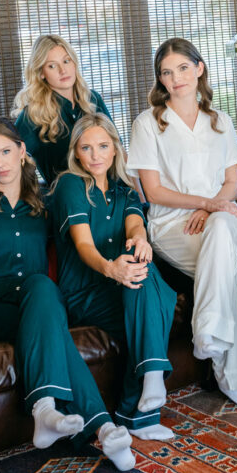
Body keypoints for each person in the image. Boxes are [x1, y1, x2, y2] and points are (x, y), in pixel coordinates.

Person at [0, 117, 135, 470]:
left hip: (41, 302)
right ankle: (101, 425)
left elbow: (85, 232)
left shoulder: (46, 201)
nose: (0, 163)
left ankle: (53, 414)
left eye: (6, 151)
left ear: (22, 151)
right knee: (52, 323)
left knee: (42, 287)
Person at [127, 38, 237, 410]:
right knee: (219, 264)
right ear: (160, 80)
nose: (176, 79)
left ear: (199, 68)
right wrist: (205, 204)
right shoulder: (147, 124)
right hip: (173, 228)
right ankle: (232, 377)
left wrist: (211, 208)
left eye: (183, 69)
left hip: (223, 217)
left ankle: (208, 329)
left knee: (221, 232)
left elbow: (233, 182)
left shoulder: (219, 119)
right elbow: (153, 191)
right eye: (167, 73)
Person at [51, 113, 176, 441]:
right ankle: (142, 407)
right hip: (86, 289)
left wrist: (140, 240)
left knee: (142, 274)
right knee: (154, 301)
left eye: (103, 146)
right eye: (86, 147)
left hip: (121, 282)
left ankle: (147, 390)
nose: (95, 155)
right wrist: (111, 268)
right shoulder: (71, 185)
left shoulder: (125, 189)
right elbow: (83, 244)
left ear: (115, 149)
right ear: (76, 152)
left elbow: (135, 224)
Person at [12, 34, 114, 186]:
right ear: (41, 73)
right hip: (69, 200)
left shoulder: (93, 99)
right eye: (52, 66)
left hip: (113, 192)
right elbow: (10, 159)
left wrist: (137, 193)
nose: (63, 70)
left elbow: (117, 149)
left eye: (66, 61)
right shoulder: (33, 115)